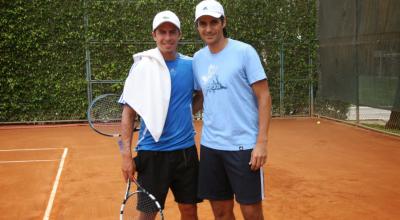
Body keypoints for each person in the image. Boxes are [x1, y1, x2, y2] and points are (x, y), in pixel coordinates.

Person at [192, 1, 272, 220]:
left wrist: (261, 142)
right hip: (211, 146)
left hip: (244, 147)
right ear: (198, 26)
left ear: (223, 22)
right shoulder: (198, 59)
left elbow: (264, 96)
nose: (208, 29)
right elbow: (200, 97)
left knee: (251, 212)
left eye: (214, 22)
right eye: (203, 23)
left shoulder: (245, 52)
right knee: (220, 212)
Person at [119, 10, 200, 220]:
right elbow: (128, 113)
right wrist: (126, 156)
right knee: (147, 214)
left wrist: (186, 111)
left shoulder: (191, 65)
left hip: (186, 154)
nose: (167, 37)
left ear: (179, 34)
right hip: (152, 155)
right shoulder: (142, 67)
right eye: (162, 32)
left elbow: (201, 94)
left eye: (172, 32)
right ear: (154, 35)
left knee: (190, 211)